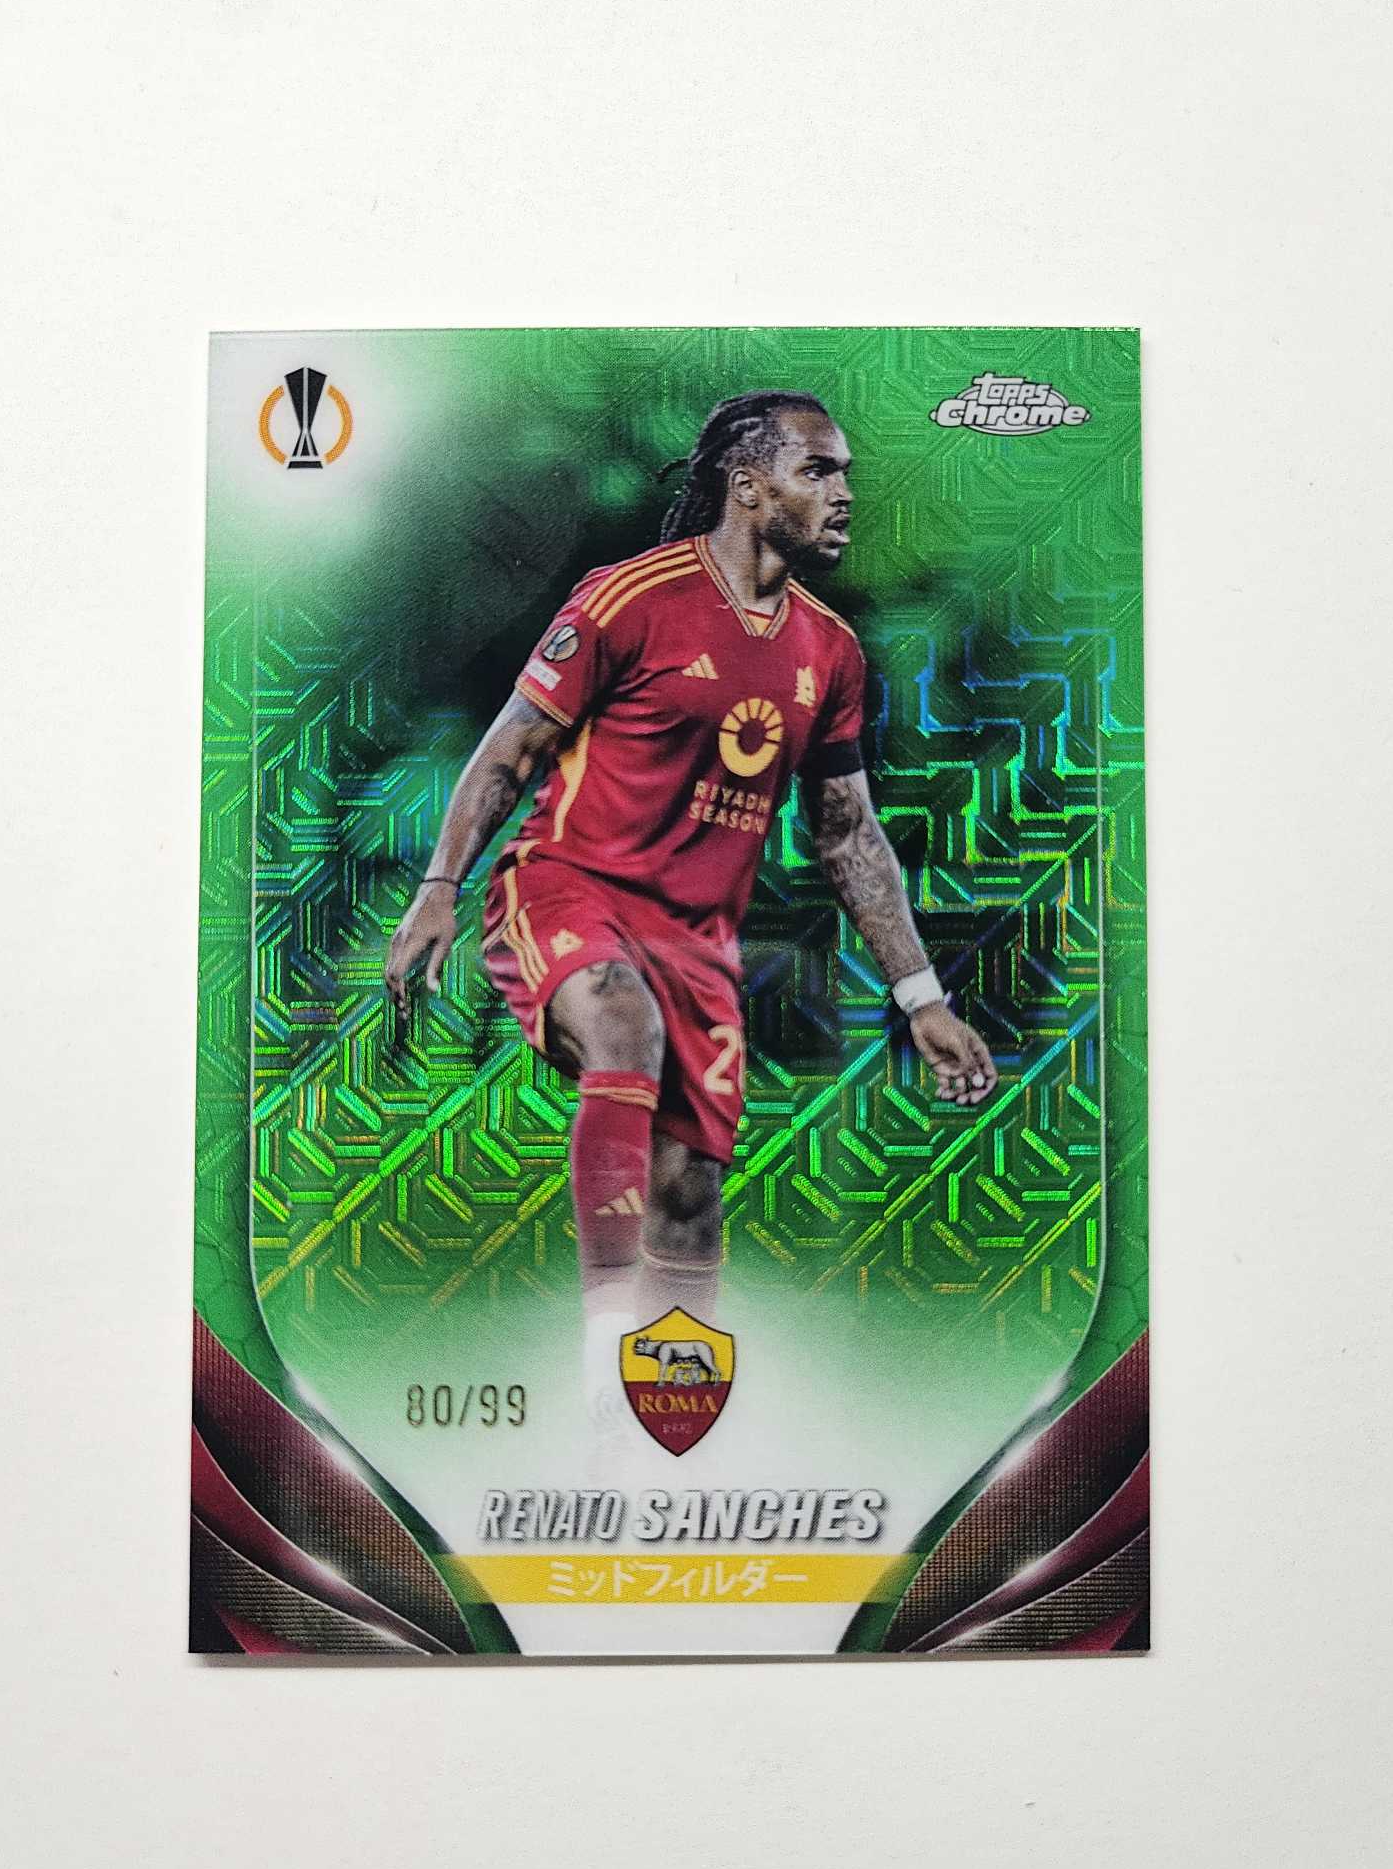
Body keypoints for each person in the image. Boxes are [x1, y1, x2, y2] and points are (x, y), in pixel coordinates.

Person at [386, 391, 995, 1414]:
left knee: (688, 1197)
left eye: (845, 473)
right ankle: (601, 1350)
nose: (844, 493)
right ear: (747, 487)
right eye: (819, 471)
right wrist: (440, 886)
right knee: (621, 1019)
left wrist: (921, 996)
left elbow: (848, 833)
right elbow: (512, 750)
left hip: (698, 949)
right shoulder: (629, 598)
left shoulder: (830, 652)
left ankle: (656, 1432)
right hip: (566, 887)